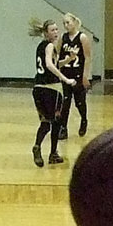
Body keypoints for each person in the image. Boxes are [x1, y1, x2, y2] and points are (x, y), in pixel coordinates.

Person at [28, 18, 76, 168]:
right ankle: (53, 153)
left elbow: (54, 64)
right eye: (52, 30)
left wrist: (69, 59)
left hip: (37, 89)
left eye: (56, 29)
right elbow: (49, 65)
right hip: (51, 89)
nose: (56, 32)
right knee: (56, 121)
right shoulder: (49, 46)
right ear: (46, 33)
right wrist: (65, 79)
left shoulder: (41, 47)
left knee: (46, 122)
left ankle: (37, 146)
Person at [57, 12, 92, 139]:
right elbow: (57, 55)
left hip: (78, 74)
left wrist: (85, 76)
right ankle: (63, 128)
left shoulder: (82, 37)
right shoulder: (63, 37)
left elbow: (87, 57)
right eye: (64, 23)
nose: (66, 25)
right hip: (66, 74)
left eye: (68, 22)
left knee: (79, 102)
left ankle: (84, 120)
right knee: (65, 103)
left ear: (74, 22)